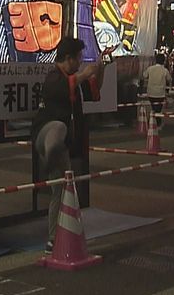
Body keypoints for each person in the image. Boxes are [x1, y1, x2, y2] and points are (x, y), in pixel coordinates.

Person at [31, 37, 113, 248]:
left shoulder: (72, 81)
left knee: (63, 188)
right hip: (44, 133)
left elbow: (95, 92)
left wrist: (100, 69)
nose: (80, 62)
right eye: (78, 58)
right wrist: (84, 74)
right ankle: (50, 154)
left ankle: (57, 237)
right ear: (68, 58)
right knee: (58, 128)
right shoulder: (53, 77)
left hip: (61, 145)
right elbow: (66, 86)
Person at [140, 53, 170, 124]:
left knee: (153, 107)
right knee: (158, 109)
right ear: (164, 61)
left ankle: (152, 122)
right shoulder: (165, 70)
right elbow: (169, 79)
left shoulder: (150, 68)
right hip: (160, 93)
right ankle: (157, 123)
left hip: (151, 92)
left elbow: (144, 75)